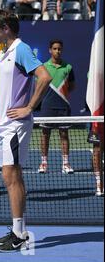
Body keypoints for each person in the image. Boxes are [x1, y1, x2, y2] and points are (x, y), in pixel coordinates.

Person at [0, 9, 52, 252]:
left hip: (15, 125)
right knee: (11, 177)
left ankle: (19, 234)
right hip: (3, 126)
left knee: (11, 176)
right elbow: (2, 93)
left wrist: (29, 107)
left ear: (6, 28)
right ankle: (18, 230)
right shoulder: (3, 52)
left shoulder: (21, 49)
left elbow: (44, 77)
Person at [38, 40, 75, 174]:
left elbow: (72, 86)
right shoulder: (43, 67)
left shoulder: (68, 67)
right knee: (45, 135)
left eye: (59, 49)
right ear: (50, 50)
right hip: (47, 106)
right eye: (54, 49)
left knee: (64, 134)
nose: (57, 51)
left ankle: (65, 164)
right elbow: (39, 87)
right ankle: (43, 163)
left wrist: (61, 95)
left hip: (63, 106)